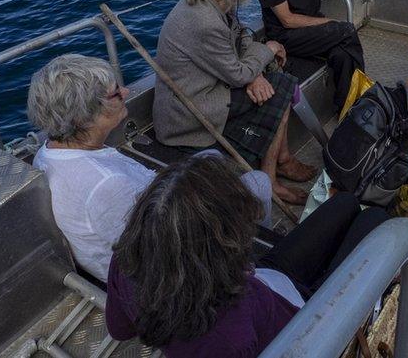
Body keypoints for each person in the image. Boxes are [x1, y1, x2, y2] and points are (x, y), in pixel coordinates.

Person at [106, 153, 390, 358]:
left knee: (345, 202)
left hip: (264, 281)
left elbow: (120, 329)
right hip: (311, 319)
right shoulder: (227, 337)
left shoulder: (127, 259)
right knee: (376, 219)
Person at [28, 54, 272, 281]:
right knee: (259, 182)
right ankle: (253, 260)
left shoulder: (49, 152)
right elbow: (159, 247)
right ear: (83, 118)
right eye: (115, 94)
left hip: (156, 217)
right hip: (160, 266)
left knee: (211, 156)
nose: (126, 91)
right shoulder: (107, 184)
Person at [153, 0, 316, 204]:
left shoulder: (213, 1)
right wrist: (268, 50)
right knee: (280, 90)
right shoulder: (204, 20)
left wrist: (255, 73)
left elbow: (240, 37)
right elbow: (238, 73)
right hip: (187, 113)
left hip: (212, 84)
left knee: (277, 83)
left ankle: (281, 161)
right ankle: (270, 180)